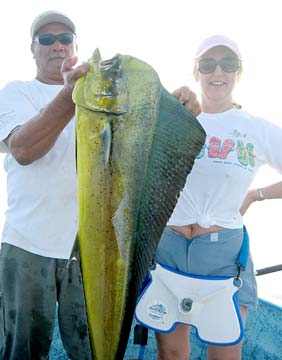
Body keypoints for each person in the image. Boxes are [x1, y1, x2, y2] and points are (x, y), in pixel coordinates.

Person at [0, 10, 200, 359]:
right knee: (22, 350)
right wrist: (71, 95)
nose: (57, 45)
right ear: (33, 49)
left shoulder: (112, 94)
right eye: (46, 39)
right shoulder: (16, 92)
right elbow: (22, 149)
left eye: (65, 38)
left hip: (99, 252)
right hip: (28, 245)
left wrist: (179, 104)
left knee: (92, 352)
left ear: (75, 46)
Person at [154, 34, 282, 360]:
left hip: (224, 255)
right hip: (169, 248)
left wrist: (257, 195)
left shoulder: (258, 129)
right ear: (195, 72)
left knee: (225, 351)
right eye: (207, 64)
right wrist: (166, 104)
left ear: (240, 72)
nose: (218, 72)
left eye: (228, 64)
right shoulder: (175, 115)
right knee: (170, 353)